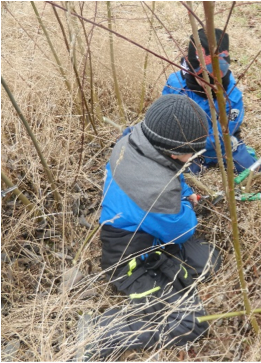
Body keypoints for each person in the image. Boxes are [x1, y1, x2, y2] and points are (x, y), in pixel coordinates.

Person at [91, 94, 222, 359]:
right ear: (174, 151)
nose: (194, 156)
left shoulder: (134, 139)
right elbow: (184, 230)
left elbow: (173, 178)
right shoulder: (156, 190)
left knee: (209, 262)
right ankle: (101, 333)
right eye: (192, 152)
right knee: (189, 324)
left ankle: (169, 272)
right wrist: (185, 205)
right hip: (129, 259)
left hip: (150, 234)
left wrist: (183, 196)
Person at [161, 28, 261, 174]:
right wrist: (180, 146)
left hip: (222, 145)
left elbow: (225, 131)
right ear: (192, 70)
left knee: (251, 170)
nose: (211, 83)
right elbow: (164, 116)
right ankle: (197, 162)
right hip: (187, 145)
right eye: (204, 77)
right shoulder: (176, 84)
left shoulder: (232, 96)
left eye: (218, 77)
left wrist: (200, 145)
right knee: (181, 173)